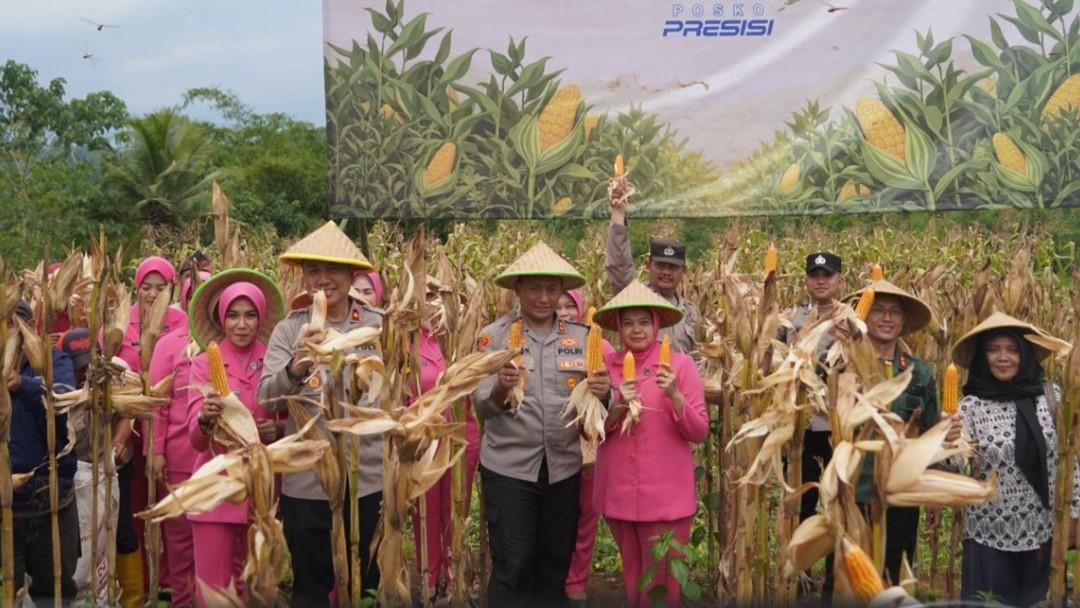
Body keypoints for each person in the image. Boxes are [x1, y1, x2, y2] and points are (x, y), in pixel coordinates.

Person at [472, 241, 610, 607]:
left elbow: (601, 403)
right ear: (517, 289)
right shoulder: (493, 338)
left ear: (562, 291)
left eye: (552, 289)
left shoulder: (581, 338)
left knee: (553, 565)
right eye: (534, 288)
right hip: (509, 470)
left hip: (563, 469)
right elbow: (480, 407)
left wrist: (605, 392)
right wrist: (501, 390)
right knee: (512, 564)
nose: (544, 297)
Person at [258, 221, 384, 607]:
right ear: (303, 276)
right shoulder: (288, 330)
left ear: (352, 276)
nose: (323, 279)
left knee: (366, 582)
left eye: (333, 270)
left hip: (368, 478)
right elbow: (266, 397)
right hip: (307, 481)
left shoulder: (379, 325)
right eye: (313, 270)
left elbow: (400, 395)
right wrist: (297, 366)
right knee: (311, 587)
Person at [947, 312, 1079, 606]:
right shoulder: (971, 406)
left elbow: (1071, 461)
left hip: (1043, 530)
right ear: (983, 357)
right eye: (994, 350)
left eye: (1012, 349)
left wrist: (1075, 514)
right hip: (987, 533)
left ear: (1026, 355)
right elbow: (957, 468)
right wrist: (948, 441)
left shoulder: (1051, 397)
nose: (1003, 358)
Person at [592, 281, 708, 608]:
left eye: (644, 322)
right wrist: (615, 405)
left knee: (663, 584)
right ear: (617, 327)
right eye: (628, 322)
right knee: (633, 576)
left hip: (666, 499)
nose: (636, 329)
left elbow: (699, 432)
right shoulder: (605, 369)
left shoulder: (680, 366)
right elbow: (591, 431)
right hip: (619, 495)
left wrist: (674, 395)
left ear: (656, 324)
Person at [187, 269, 284, 603]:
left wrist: (279, 429)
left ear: (260, 320)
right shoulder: (203, 365)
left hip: (262, 489)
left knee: (257, 587)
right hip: (216, 487)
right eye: (233, 316)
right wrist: (205, 419)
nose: (241, 324)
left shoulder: (275, 360)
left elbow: (291, 418)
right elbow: (196, 441)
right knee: (214, 589)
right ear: (221, 319)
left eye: (250, 316)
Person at [845, 279, 938, 585]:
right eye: (878, 310)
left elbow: (931, 432)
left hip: (901, 492)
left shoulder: (919, 372)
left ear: (903, 321)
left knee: (895, 578)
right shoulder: (841, 364)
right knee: (847, 580)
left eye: (894, 312)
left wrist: (933, 490)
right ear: (863, 316)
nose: (887, 318)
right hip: (853, 489)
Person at [111, 255, 188, 608]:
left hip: (167, 427)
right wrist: (118, 436)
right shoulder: (118, 325)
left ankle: (172, 582)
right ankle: (139, 584)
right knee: (136, 510)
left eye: (161, 287)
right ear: (136, 287)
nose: (153, 294)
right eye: (146, 287)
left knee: (173, 509)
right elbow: (107, 381)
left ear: (172, 289)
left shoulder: (184, 324)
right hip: (129, 430)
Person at [407, 278, 480, 604]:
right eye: (425, 296)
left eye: (439, 297)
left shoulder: (465, 342)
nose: (432, 304)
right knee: (424, 513)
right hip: (422, 441)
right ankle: (428, 577)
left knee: (455, 511)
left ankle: (454, 576)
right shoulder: (405, 342)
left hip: (462, 437)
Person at [146, 270, 209, 607]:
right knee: (181, 542)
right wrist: (155, 452)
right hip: (180, 458)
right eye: (194, 294)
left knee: (218, 543)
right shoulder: (170, 344)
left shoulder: (233, 341)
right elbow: (158, 403)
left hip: (221, 461)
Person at [9, 300, 79, 601]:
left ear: (29, 329)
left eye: (16, 325)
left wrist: (22, 385)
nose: (10, 333)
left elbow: (63, 397)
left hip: (51, 498)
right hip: (6, 505)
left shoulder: (54, 361)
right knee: (10, 590)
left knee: (54, 590)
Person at [558, 289, 613, 608]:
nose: (564, 312)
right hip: (555, 445)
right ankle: (555, 575)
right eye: (559, 305)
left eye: (570, 306)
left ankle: (576, 579)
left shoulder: (600, 345)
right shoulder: (546, 344)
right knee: (559, 516)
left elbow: (613, 393)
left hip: (589, 444)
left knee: (586, 516)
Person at [605, 191, 701, 356]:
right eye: (660, 265)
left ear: (683, 271)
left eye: (672, 267)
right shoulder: (634, 297)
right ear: (648, 265)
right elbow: (619, 267)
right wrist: (618, 214)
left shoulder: (691, 313)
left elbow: (696, 356)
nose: (665, 272)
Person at [63, 328, 119, 602]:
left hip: (104, 474)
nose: (84, 373)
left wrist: (118, 444)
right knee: (78, 560)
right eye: (78, 367)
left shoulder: (110, 381)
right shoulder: (59, 392)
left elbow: (127, 414)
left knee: (104, 552)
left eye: (89, 365)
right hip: (77, 482)